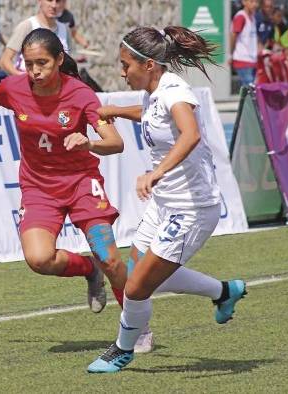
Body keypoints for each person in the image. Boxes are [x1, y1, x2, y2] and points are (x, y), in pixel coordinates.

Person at [86, 25, 247, 373]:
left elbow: (190, 134)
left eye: (125, 64)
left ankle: (123, 349)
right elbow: (151, 116)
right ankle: (223, 292)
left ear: (148, 65)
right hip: (164, 204)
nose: (121, 71)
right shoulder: (154, 90)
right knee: (140, 271)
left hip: (191, 209)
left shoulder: (175, 90)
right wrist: (116, 109)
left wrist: (155, 173)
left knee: (137, 286)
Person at [0, 28, 129, 317]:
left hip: (81, 183)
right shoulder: (13, 88)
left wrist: (88, 142)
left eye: (43, 63)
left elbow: (116, 142)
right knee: (39, 259)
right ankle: (89, 270)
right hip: (38, 188)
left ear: (59, 59)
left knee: (111, 259)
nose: (35, 71)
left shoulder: (80, 94)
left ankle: (135, 327)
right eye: (29, 64)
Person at [0, 0, 71, 75]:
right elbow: (4, 61)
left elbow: (68, 63)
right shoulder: (27, 26)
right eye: (49, 0)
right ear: (39, 1)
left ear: (64, 3)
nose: (54, 5)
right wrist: (22, 78)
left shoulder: (65, 30)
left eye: (58, 1)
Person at [230, 0, 259, 86]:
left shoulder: (253, 18)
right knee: (250, 90)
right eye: (251, 1)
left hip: (252, 59)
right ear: (244, 2)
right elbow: (233, 36)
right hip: (242, 59)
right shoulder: (241, 17)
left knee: (249, 91)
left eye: (256, 2)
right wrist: (230, 54)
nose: (254, 4)